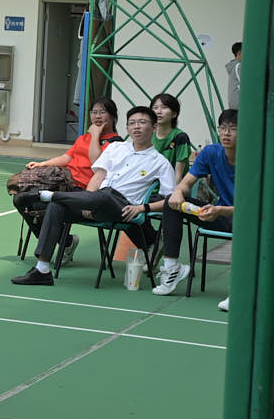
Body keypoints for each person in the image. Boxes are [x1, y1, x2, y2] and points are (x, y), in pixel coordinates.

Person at [12, 105, 176, 286]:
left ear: (154, 127)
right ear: (127, 128)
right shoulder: (116, 147)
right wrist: (87, 202)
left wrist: (141, 208)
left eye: (142, 122)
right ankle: (42, 270)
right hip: (96, 200)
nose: (136, 126)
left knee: (105, 196)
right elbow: (98, 175)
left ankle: (47, 195)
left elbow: (170, 200)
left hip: (123, 208)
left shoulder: (160, 162)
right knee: (56, 206)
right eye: (132, 123)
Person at [151, 107, 239, 296]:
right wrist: (177, 192)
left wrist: (220, 210)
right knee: (170, 203)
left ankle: (239, 292)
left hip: (246, 219)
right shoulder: (211, 153)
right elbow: (186, 183)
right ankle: (172, 268)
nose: (226, 133)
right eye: (223, 128)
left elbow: (253, 208)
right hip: (218, 216)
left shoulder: (253, 158)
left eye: (233, 129)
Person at [8, 95, 122, 234]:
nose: (97, 116)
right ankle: (65, 241)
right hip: (64, 183)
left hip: (82, 191)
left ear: (113, 116)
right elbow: (66, 157)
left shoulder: (116, 143)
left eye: (102, 112)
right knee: (20, 198)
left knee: (42, 205)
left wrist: (95, 136)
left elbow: (96, 163)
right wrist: (42, 164)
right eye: (94, 112)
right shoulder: (83, 138)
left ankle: (62, 241)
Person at [149, 92, 195, 181]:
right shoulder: (149, 135)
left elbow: (178, 175)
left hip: (171, 185)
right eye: (155, 108)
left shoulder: (180, 137)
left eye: (164, 107)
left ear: (174, 114)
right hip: (151, 185)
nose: (158, 111)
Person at [225, 41, 243, 108]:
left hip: (233, 103)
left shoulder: (233, 66)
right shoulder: (239, 66)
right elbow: (248, 83)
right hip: (239, 102)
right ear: (239, 53)